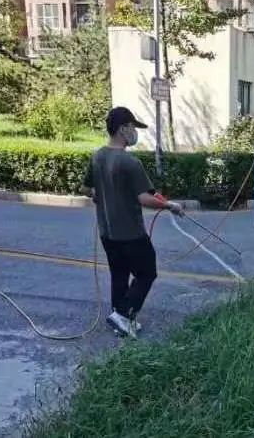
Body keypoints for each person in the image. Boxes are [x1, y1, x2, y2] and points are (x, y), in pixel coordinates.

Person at [81, 106, 183, 338]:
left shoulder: (97, 157)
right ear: (122, 129)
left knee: (119, 273)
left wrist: (100, 194)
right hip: (131, 233)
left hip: (107, 233)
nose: (135, 132)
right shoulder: (130, 162)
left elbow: (86, 188)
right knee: (147, 273)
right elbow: (144, 198)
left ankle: (120, 319)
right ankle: (123, 315)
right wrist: (170, 206)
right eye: (132, 127)